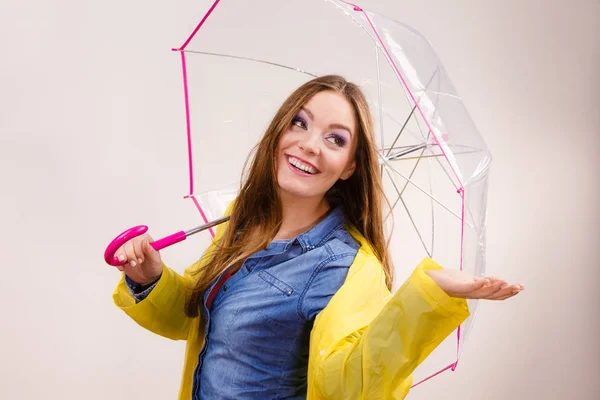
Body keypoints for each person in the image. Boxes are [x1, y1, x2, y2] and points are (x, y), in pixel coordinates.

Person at [110, 75, 523, 399]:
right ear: (279, 131)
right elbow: (196, 319)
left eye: (335, 139)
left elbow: (352, 386)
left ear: (348, 167)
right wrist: (149, 278)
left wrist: (426, 295)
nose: (309, 145)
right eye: (300, 122)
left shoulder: (344, 266)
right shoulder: (240, 221)